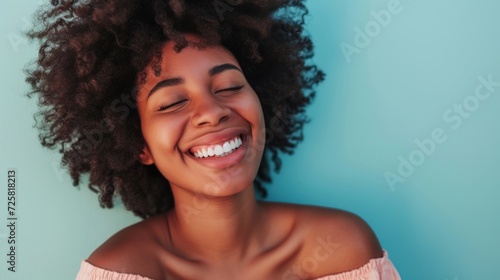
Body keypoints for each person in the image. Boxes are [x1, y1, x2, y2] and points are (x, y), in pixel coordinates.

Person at [26, 0, 401, 279]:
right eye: (172, 102)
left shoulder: (342, 249)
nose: (212, 111)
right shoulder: (121, 270)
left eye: (229, 85)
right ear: (137, 144)